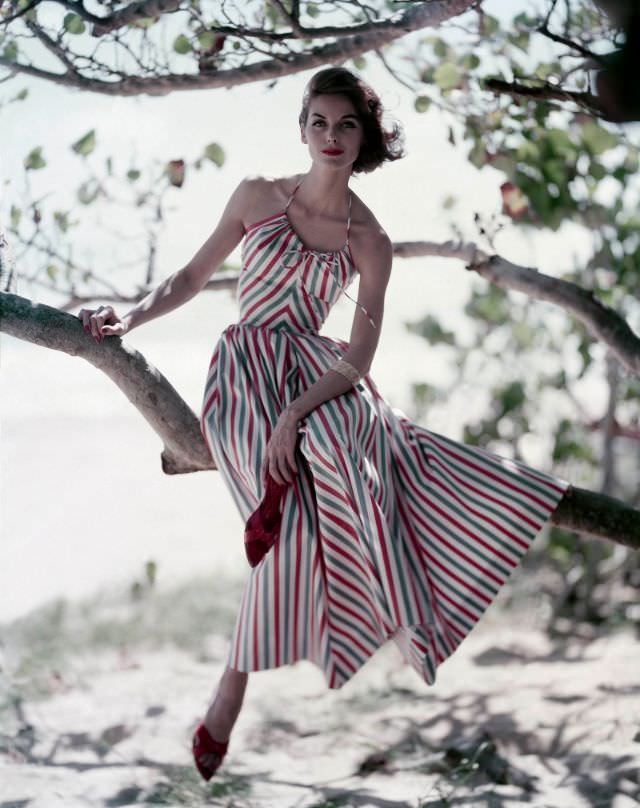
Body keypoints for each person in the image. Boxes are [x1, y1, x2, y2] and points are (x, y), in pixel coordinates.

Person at [77, 66, 572, 781]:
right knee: (288, 508)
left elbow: (362, 350)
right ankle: (239, 679)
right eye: (319, 123)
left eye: (346, 125)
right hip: (246, 369)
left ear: (363, 135)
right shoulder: (255, 197)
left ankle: (244, 678)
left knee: (344, 453)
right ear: (302, 128)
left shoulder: (370, 240)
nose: (331, 137)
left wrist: (299, 415)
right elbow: (189, 278)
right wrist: (132, 315)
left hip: (324, 380)